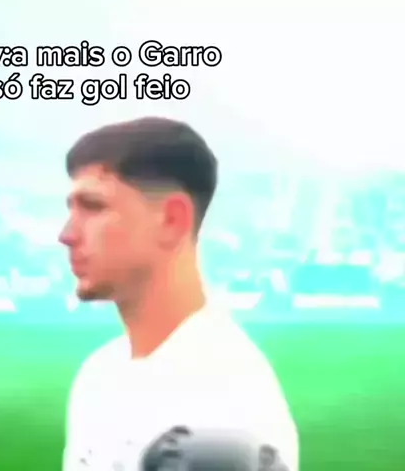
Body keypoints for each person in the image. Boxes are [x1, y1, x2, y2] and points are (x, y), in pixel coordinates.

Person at [59, 117, 299, 470]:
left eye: (93, 207)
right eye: (71, 209)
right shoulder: (98, 375)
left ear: (172, 220)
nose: (67, 234)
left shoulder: (228, 400)